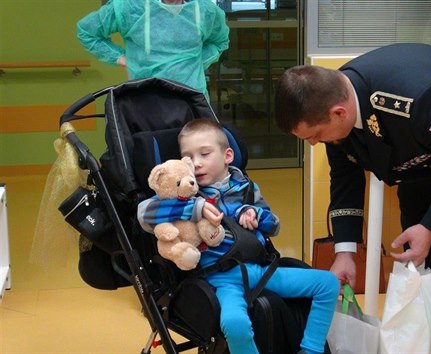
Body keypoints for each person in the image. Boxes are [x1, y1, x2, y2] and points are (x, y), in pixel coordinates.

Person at [275, 43, 431, 354]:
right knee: (418, 273)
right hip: (424, 164)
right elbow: (345, 178)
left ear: (338, 112)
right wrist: (345, 252)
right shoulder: (329, 102)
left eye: (313, 136)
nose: (313, 144)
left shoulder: (417, 98)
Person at [137, 119, 339, 354]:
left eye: (205, 154)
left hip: (261, 270)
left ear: (228, 156)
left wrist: (256, 214)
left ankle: (311, 349)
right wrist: (196, 208)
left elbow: (274, 226)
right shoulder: (184, 193)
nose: (197, 164)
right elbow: (144, 214)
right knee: (235, 323)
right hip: (222, 279)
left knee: (328, 284)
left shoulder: (247, 188)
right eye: (189, 158)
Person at [77, 0, 229, 103]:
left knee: (196, 149)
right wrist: (121, 58)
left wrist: (194, 63)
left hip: (193, 100)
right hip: (145, 101)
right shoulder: (131, 7)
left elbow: (219, 41)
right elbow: (87, 31)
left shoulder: (205, 11)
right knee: (152, 149)